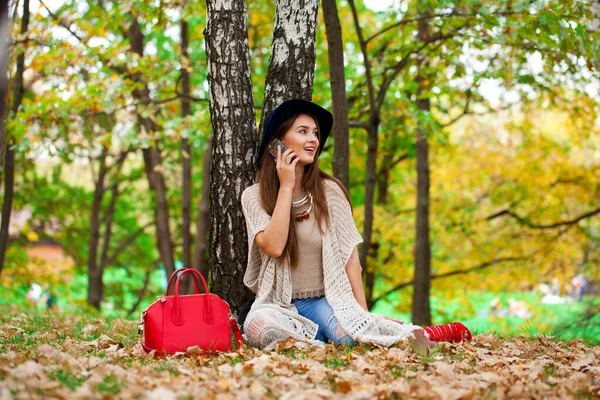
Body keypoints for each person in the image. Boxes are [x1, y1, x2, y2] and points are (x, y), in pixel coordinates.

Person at [239, 99, 472, 351]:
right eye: (302, 131)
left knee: (351, 337)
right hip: (278, 306)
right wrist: (286, 186)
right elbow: (273, 246)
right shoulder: (254, 196)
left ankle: (432, 333)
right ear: (277, 142)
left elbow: (351, 259)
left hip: (326, 301)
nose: (313, 140)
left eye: (315, 133)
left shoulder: (330, 192)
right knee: (259, 327)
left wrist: (363, 315)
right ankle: (317, 343)